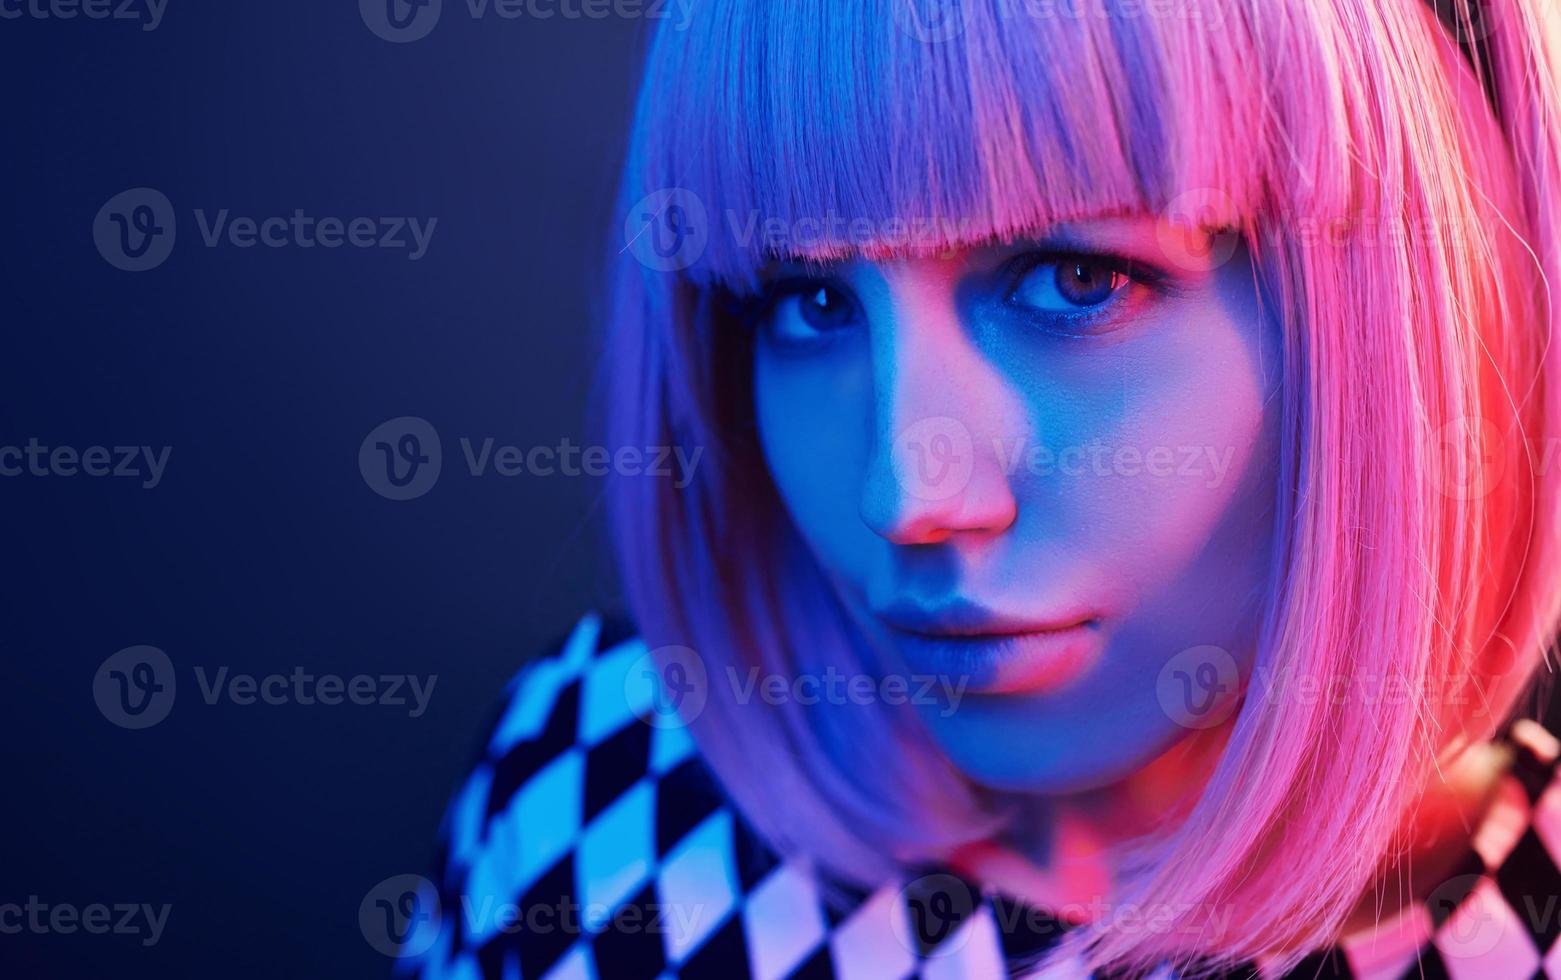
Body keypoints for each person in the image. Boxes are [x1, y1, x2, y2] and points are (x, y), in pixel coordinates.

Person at [401, 0, 1561, 975]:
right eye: (806, 303)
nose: (904, 494)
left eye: (1075, 277)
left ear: (1415, 308)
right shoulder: (591, 785)